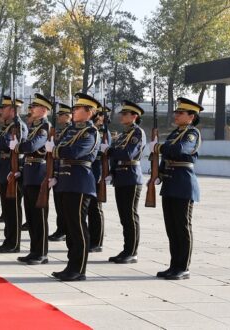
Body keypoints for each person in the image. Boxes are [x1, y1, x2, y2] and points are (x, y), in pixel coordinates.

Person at [48, 93, 101, 281]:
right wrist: (54, 174)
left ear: (89, 112)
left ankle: (79, 269)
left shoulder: (90, 132)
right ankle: (71, 265)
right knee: (70, 227)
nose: (74, 111)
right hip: (65, 181)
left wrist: (54, 150)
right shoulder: (70, 131)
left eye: (78, 108)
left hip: (79, 182)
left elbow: (76, 152)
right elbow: (61, 151)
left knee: (78, 227)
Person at [149, 97, 203, 280]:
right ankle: (174, 265)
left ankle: (183, 267)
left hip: (183, 184)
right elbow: (167, 154)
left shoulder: (192, 134)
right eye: (176, 112)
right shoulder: (174, 133)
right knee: (171, 227)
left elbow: (180, 150)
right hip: (170, 184)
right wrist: (159, 173)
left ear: (191, 116)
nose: (176, 115)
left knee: (182, 227)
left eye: (180, 112)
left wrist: (159, 147)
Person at [103, 100, 146, 264]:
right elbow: (116, 155)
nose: (122, 116)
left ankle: (132, 251)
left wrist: (110, 150)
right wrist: (111, 172)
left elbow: (128, 153)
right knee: (123, 217)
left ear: (134, 116)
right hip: (121, 176)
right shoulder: (123, 134)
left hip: (131, 176)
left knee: (130, 216)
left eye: (125, 113)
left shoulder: (137, 133)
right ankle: (126, 249)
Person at [11, 93, 52, 265]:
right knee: (31, 216)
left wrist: (17, 147)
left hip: (39, 175)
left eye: (35, 106)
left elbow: (32, 146)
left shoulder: (44, 128)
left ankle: (41, 252)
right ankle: (33, 251)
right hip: (29, 173)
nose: (31, 109)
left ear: (43, 110)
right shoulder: (35, 127)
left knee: (39, 217)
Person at [0, 95, 27, 253]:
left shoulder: (18, 126)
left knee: (13, 209)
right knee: (7, 209)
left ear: (12, 110)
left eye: (3, 108)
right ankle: (8, 240)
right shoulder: (8, 126)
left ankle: (14, 243)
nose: (0, 111)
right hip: (5, 167)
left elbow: (6, 143)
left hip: (14, 169)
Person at [47, 104, 73, 242]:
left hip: (64, 171)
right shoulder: (60, 130)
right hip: (57, 170)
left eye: (60, 115)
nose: (58, 117)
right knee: (58, 204)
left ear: (68, 116)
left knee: (63, 205)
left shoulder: (70, 131)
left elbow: (61, 150)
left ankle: (64, 230)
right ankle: (60, 229)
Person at [88, 106, 111, 253]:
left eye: (99, 115)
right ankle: (91, 237)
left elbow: (106, 155)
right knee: (90, 208)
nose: (97, 117)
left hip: (98, 172)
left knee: (96, 209)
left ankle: (97, 241)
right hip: (89, 172)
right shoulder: (90, 130)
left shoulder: (103, 132)